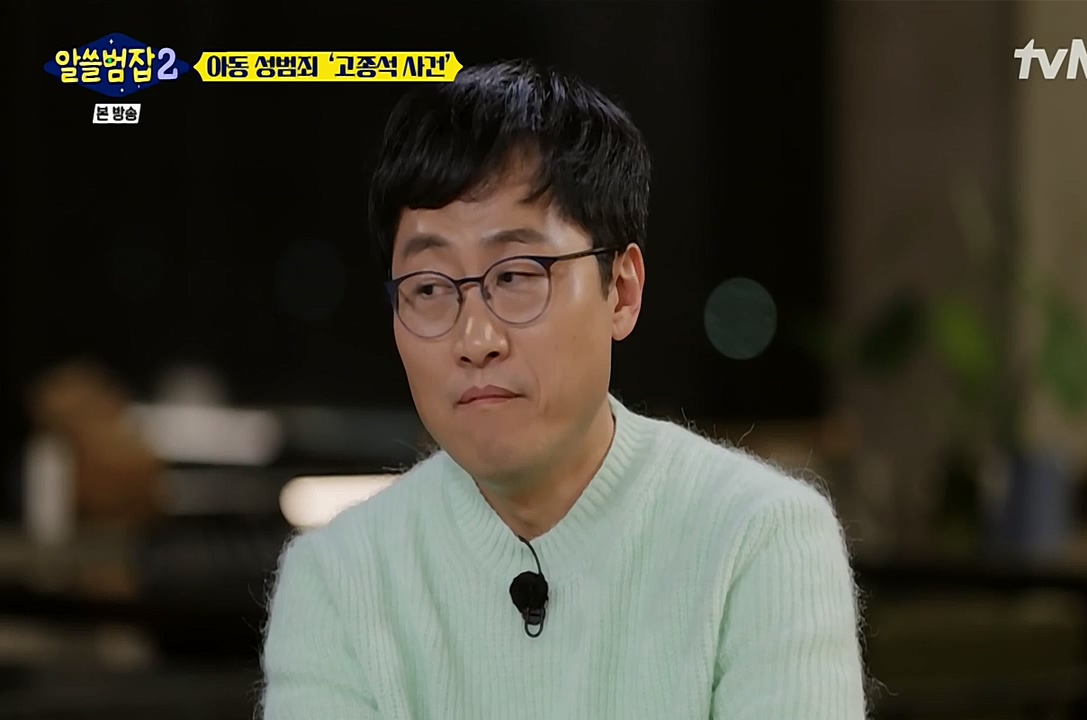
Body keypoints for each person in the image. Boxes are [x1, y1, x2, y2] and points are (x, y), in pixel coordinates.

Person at [260, 58, 866, 720]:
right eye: (430, 288)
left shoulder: (758, 538)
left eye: (517, 275)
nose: (475, 338)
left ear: (621, 291)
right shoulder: (339, 576)